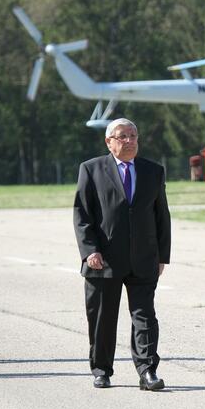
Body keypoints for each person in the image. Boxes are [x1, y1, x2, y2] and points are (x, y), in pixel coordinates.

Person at [73, 118, 171, 390]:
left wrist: (162, 255)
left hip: (144, 259)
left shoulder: (153, 171)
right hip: (103, 260)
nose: (129, 141)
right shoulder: (91, 170)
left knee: (145, 317)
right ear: (109, 141)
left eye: (133, 136)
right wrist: (89, 251)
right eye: (122, 136)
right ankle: (101, 369)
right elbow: (82, 215)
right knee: (103, 318)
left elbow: (161, 215)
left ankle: (147, 370)